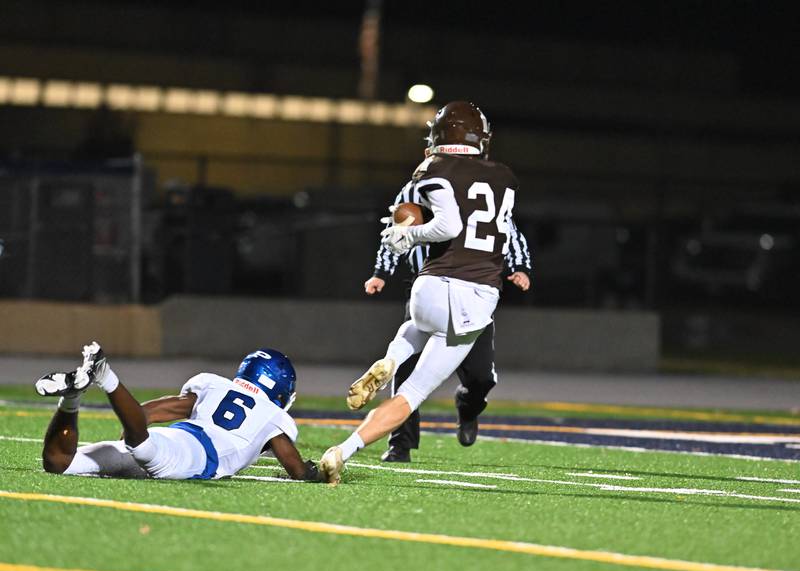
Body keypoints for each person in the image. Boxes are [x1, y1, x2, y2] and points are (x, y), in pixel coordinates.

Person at [320, 101, 527, 484]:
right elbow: (454, 226)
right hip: (473, 297)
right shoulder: (504, 177)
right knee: (411, 395)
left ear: (437, 136)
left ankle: (391, 359)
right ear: (480, 138)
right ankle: (342, 451)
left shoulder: (430, 168)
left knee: (416, 329)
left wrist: (403, 238)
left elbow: (427, 220)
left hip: (427, 289)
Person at [364, 158, 531, 463]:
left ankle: (468, 406)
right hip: (428, 289)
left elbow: (505, 228)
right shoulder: (417, 187)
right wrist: (381, 271)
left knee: (481, 376)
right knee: (406, 369)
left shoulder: (484, 188)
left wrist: (519, 265)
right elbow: (398, 227)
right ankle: (400, 443)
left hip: (471, 293)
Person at [35, 342, 321, 481]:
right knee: (143, 447)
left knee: (59, 462)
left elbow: (147, 412)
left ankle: (71, 399)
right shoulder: (273, 416)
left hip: (173, 436)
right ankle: (105, 375)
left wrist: (132, 434)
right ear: (281, 391)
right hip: (194, 456)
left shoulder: (215, 385)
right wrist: (317, 472)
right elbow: (296, 470)